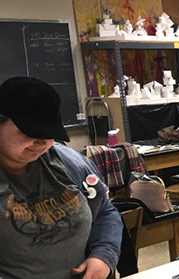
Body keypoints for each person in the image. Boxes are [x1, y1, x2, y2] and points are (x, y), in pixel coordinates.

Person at [0, 77, 122, 279]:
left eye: (49, 135)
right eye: (30, 133)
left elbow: (104, 211)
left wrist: (104, 254)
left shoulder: (68, 163)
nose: (41, 144)